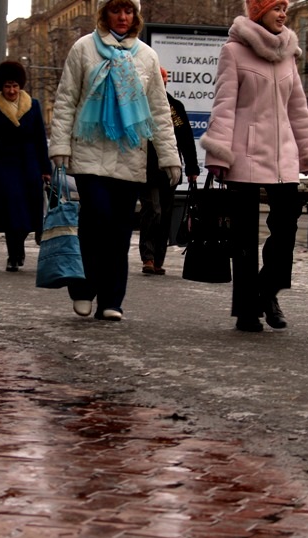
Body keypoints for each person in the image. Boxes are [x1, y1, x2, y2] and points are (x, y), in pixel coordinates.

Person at [200, 0, 308, 332]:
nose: (283, 14)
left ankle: (267, 292)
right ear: (258, 13)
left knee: (285, 231)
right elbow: (224, 105)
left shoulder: (288, 53)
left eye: (284, 8)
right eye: (275, 8)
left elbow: (298, 108)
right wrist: (218, 153)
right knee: (244, 238)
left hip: (283, 156)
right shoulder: (234, 52)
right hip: (244, 154)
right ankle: (247, 310)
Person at [49, 0, 181, 321]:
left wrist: (168, 156)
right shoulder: (84, 49)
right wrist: (59, 146)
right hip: (89, 154)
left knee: (120, 232)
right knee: (96, 222)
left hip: (130, 156)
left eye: (129, 11)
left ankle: (112, 300)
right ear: (104, 13)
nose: (123, 17)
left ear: (135, 16)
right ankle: (83, 289)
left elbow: (160, 114)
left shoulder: (146, 56)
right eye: (115, 10)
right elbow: (66, 99)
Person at [0, 61, 52, 272]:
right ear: (1, 87)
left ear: (20, 85)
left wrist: (46, 169)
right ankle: (13, 255)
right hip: (4, 167)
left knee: (27, 213)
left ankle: (19, 245)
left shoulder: (33, 106)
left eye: (15, 86)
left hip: (30, 166)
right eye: (7, 86)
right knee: (12, 212)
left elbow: (41, 139)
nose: (11, 90)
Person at [139, 67, 200, 275]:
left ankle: (158, 259)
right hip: (146, 169)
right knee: (152, 210)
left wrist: (192, 167)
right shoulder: (141, 105)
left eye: (163, 78)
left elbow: (185, 138)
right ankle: (147, 256)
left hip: (169, 170)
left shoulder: (174, 107)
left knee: (165, 214)